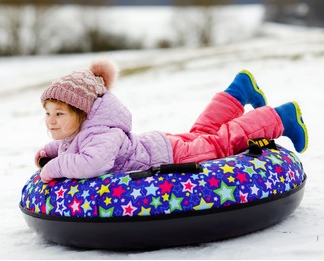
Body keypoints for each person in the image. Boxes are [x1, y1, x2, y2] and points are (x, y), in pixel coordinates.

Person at [35, 58, 308, 183]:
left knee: (222, 144)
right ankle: (238, 91)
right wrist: (50, 151)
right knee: (204, 132)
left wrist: (53, 168)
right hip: (163, 146)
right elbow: (75, 147)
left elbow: (93, 162)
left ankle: (282, 117)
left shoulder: (102, 134)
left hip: (172, 157)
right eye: (48, 113)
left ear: (83, 114)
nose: (51, 121)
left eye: (59, 114)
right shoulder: (85, 131)